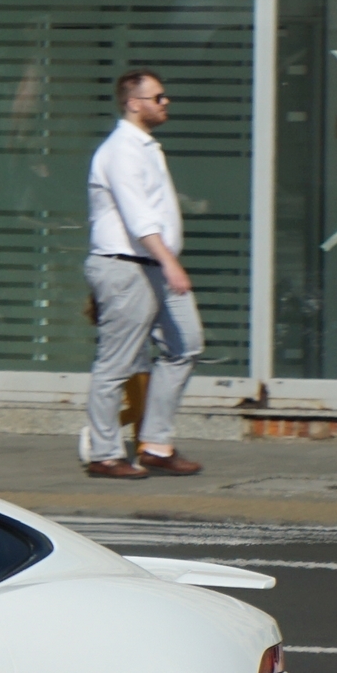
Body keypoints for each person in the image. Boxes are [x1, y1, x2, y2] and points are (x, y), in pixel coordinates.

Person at [83, 68, 203, 479]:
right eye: (158, 97)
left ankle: (154, 444)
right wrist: (171, 262)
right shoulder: (122, 150)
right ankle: (104, 454)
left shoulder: (147, 147)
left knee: (185, 345)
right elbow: (138, 218)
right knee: (115, 365)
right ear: (134, 103)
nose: (165, 102)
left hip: (152, 265)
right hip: (127, 266)